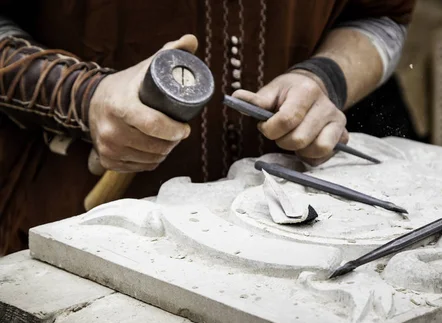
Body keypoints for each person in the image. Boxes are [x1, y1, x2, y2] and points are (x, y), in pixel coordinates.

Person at [0, 0, 415, 256]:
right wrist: (80, 95)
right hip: (76, 226)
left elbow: (381, 14)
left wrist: (324, 78)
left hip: (285, 232)